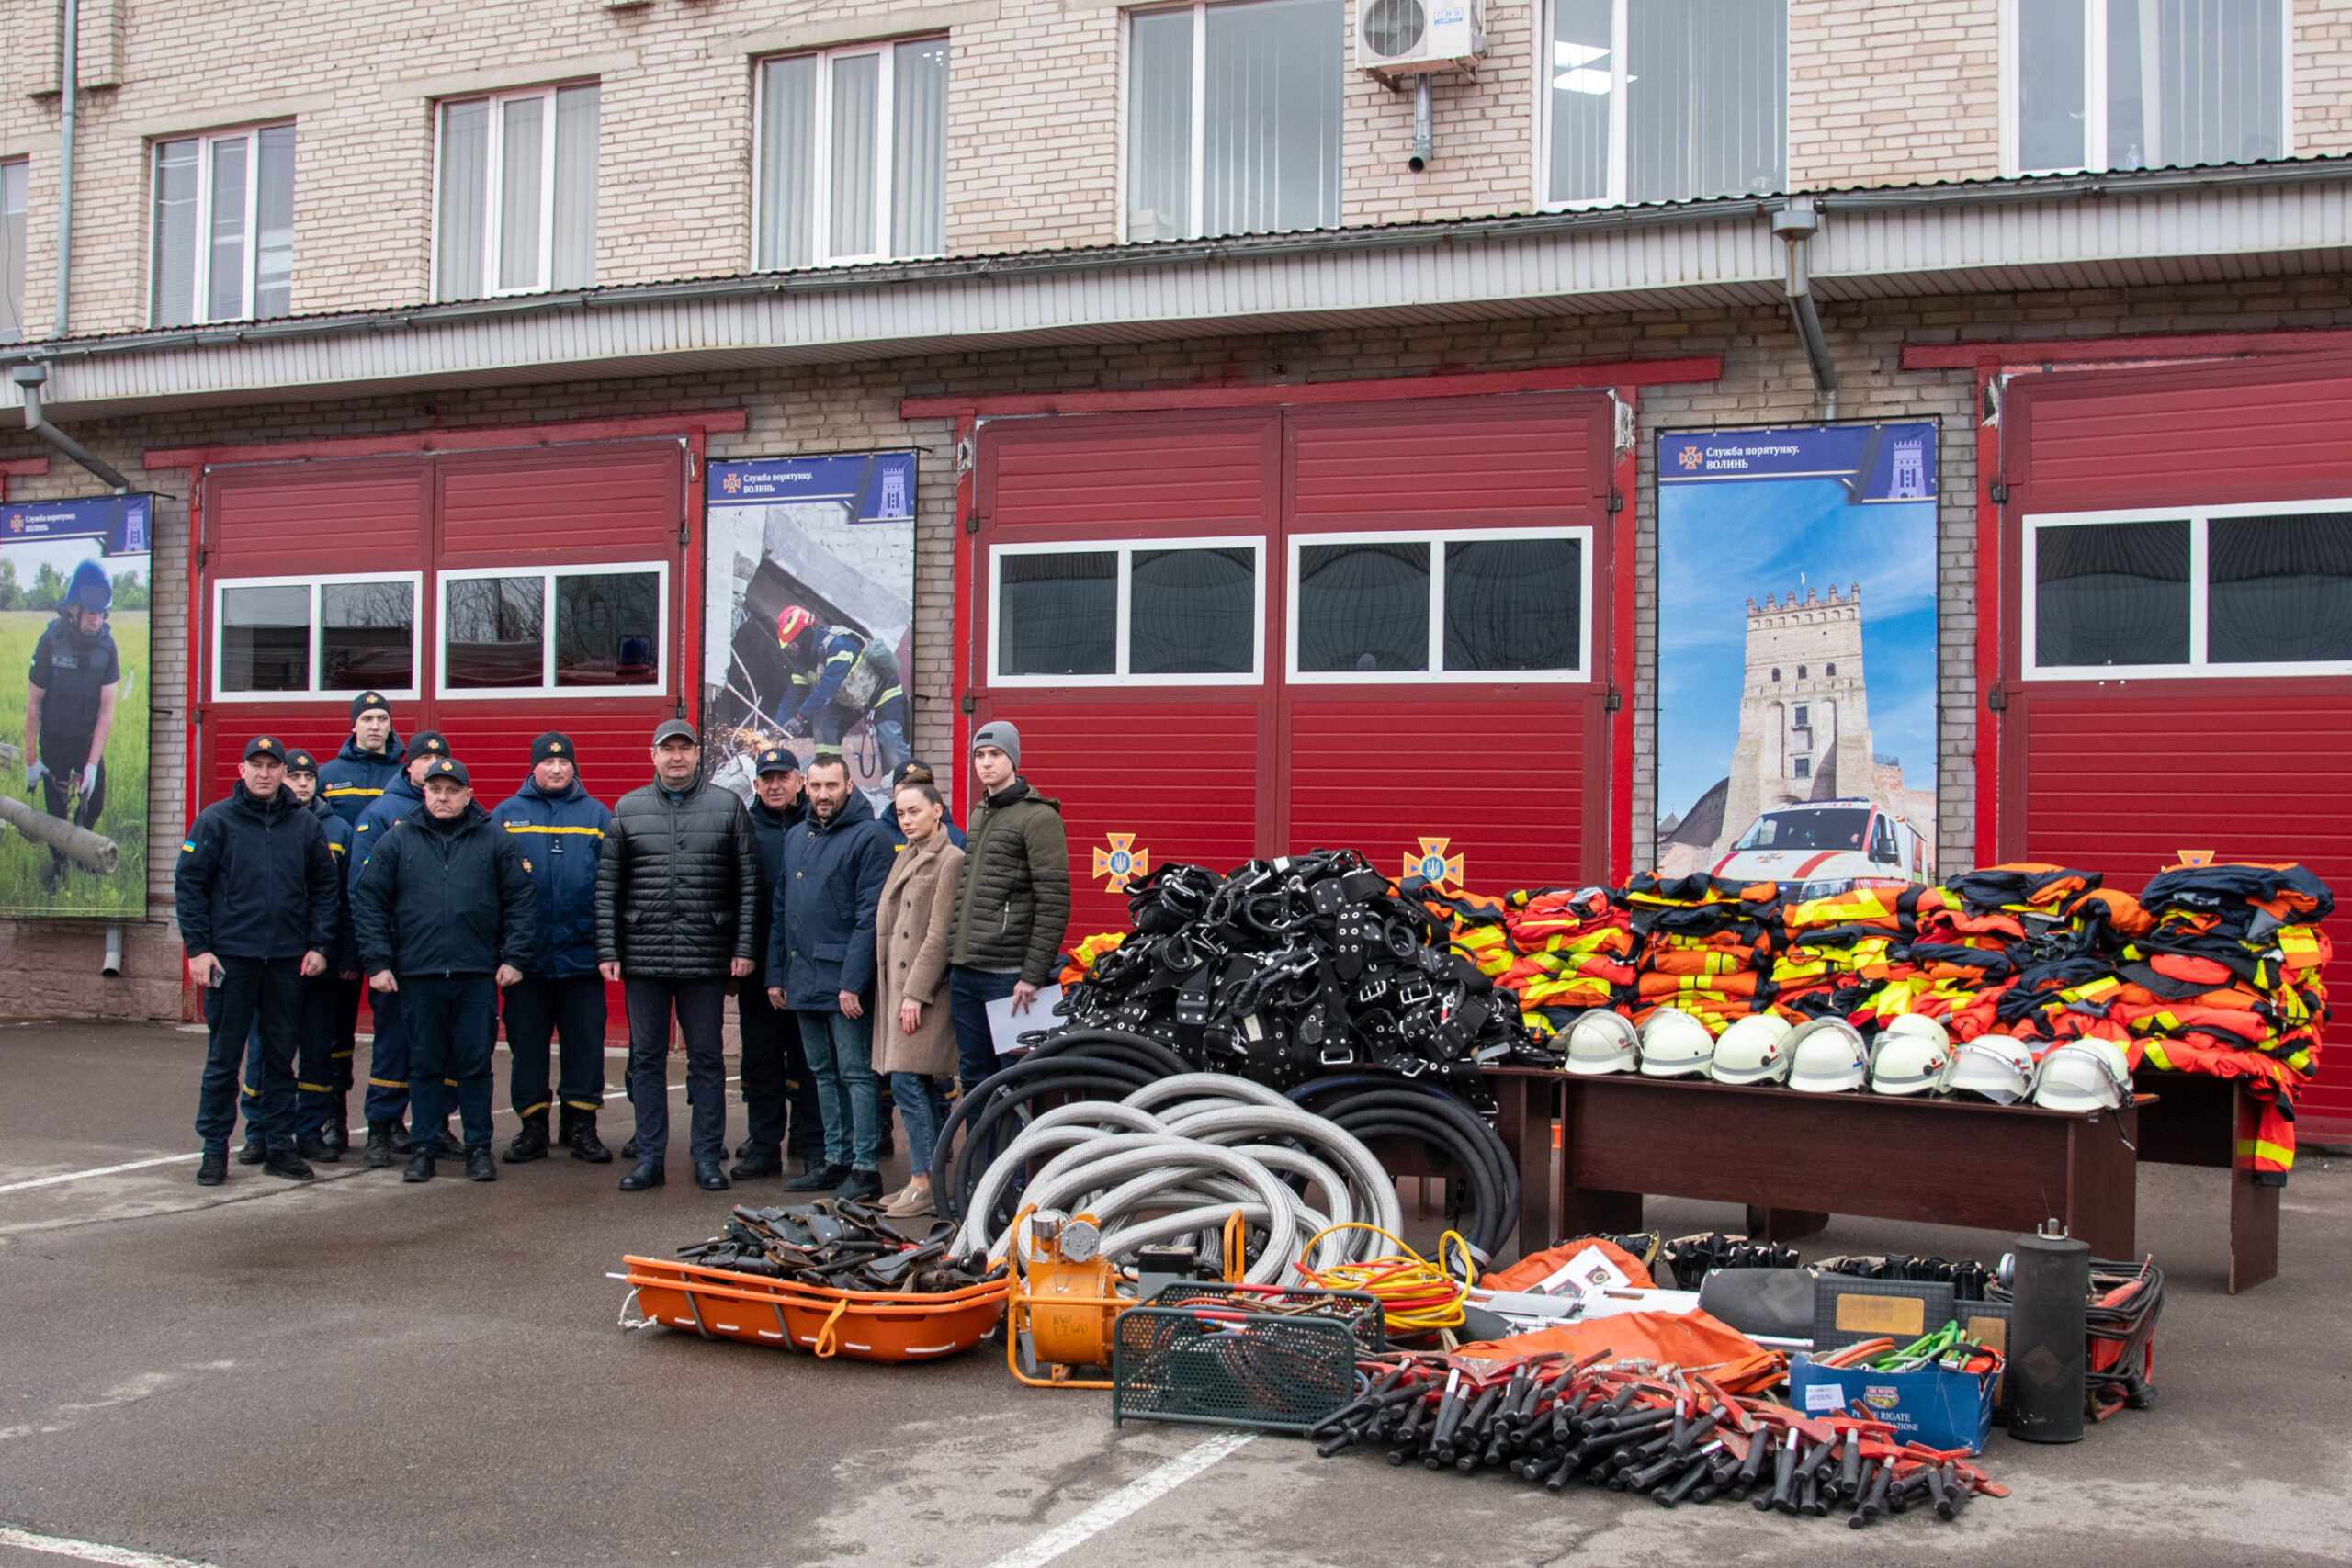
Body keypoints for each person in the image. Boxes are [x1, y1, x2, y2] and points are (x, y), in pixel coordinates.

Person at [351, 758, 535, 1184]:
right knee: (425, 1067)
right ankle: (424, 1150)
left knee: (474, 1067)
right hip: (418, 975)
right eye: (435, 789)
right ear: (424, 793)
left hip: (476, 976)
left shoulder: (494, 839)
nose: (443, 797)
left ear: (468, 795)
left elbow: (521, 901)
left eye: (452, 790)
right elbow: (370, 901)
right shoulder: (398, 839)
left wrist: (514, 958)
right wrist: (377, 962)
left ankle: (477, 1150)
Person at [595, 718, 759, 1193]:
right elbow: (608, 887)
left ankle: (707, 1158)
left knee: (706, 1060)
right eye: (668, 750)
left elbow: (749, 885)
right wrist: (609, 948)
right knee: (645, 1059)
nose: (677, 757)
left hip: (705, 956)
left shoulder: (727, 807)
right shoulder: (628, 809)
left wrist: (743, 949)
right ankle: (649, 1159)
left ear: (697, 754)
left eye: (685, 749)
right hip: (643, 956)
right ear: (653, 756)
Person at [176, 736, 340, 1187]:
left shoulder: (304, 825)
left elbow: (325, 889)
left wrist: (318, 946)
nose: (265, 773)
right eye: (257, 765)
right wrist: (198, 949)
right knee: (224, 1061)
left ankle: (278, 1148)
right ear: (241, 770)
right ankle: (214, 1150)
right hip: (231, 959)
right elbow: (189, 885)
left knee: (279, 1059)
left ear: (284, 773)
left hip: (287, 961)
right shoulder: (215, 821)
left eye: (274, 766)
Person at [765, 753, 891, 1199]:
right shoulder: (797, 835)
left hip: (842, 984)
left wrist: (852, 983)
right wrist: (775, 974)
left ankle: (865, 1168)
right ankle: (834, 1161)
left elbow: (869, 918)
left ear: (849, 785)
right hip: (801, 977)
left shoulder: (869, 837)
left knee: (856, 1074)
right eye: (815, 786)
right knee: (821, 1071)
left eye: (831, 786)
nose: (822, 794)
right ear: (804, 785)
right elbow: (784, 909)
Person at [231, 749, 359, 1164]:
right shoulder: (265, 823)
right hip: (272, 960)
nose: (303, 783)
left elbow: (341, 898)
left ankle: (310, 1132)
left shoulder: (339, 829)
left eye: (309, 776)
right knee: (265, 1049)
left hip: (319, 962)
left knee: (317, 1051)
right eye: (297, 776)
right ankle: (260, 1133)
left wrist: (334, 953)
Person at [491, 731, 614, 1165]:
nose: (557, 769)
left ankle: (581, 1128)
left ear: (574, 767)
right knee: (527, 1048)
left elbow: (611, 888)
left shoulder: (598, 816)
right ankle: (532, 1129)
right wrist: (503, 952)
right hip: (527, 961)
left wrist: (607, 949)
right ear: (534, 767)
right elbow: (491, 889)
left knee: (585, 1046)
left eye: (564, 762)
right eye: (548, 762)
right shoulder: (505, 816)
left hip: (581, 959)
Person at [945, 721, 1071, 1096]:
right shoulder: (980, 813)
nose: (985, 764)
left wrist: (1032, 975)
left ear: (1013, 759)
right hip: (966, 974)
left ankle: (1014, 1157)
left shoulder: (1038, 816)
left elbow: (1053, 901)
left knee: (1015, 1082)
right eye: (979, 756)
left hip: (1010, 978)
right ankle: (979, 1157)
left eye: (995, 755)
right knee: (972, 1079)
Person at [349, 729, 457, 1168]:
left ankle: (436, 1125)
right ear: (407, 765)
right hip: (400, 958)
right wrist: (377, 955)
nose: (431, 764)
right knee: (393, 1044)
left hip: (447, 959)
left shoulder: (463, 814)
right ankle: (383, 1126)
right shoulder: (381, 815)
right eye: (423, 757)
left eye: (439, 757)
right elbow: (364, 891)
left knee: (444, 1046)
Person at [314, 692, 406, 1153]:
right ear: (353, 725)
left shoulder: (407, 776)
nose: (375, 725)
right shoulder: (328, 778)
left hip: (389, 929)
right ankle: (331, 1116)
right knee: (335, 1031)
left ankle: (391, 1121)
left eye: (382, 718)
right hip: (336, 924)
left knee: (395, 1030)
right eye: (367, 718)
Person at [870, 777, 965, 1218]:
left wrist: (915, 994)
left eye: (914, 811)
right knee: (913, 1085)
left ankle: (925, 1184)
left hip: (924, 995)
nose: (906, 820)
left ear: (937, 811)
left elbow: (938, 935)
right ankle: (918, 1179)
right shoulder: (908, 854)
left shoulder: (951, 859)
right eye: (900, 812)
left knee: (910, 1082)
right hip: (900, 991)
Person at [735, 746, 823, 1182]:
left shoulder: (817, 827)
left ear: (799, 782)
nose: (774, 785)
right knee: (762, 1062)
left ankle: (811, 1145)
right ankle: (765, 1147)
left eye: (783, 777)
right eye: (766, 778)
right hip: (756, 967)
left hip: (808, 966)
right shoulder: (743, 828)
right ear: (755, 785)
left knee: (809, 1062)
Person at [25, 559, 119, 893]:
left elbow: (106, 712)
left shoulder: (108, 647)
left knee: (95, 801)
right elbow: (34, 704)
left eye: (101, 613)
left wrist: (92, 765)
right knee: (55, 811)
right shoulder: (50, 641)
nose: (96, 620)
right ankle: (59, 864)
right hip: (54, 740)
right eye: (91, 612)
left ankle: (82, 848)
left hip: (85, 739)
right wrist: (30, 760)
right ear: (74, 608)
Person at [772, 605, 910, 778]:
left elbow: (828, 687)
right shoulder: (803, 665)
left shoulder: (839, 645)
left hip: (883, 694)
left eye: (792, 643)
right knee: (823, 723)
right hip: (851, 701)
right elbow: (792, 697)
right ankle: (831, 775)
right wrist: (778, 730)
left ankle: (915, 784)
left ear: (803, 636)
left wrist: (800, 718)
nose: (790, 650)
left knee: (891, 743)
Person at [877, 759, 966, 852]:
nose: (908, 789)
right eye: (902, 783)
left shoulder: (954, 838)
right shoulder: (878, 833)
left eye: (914, 812)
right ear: (893, 789)